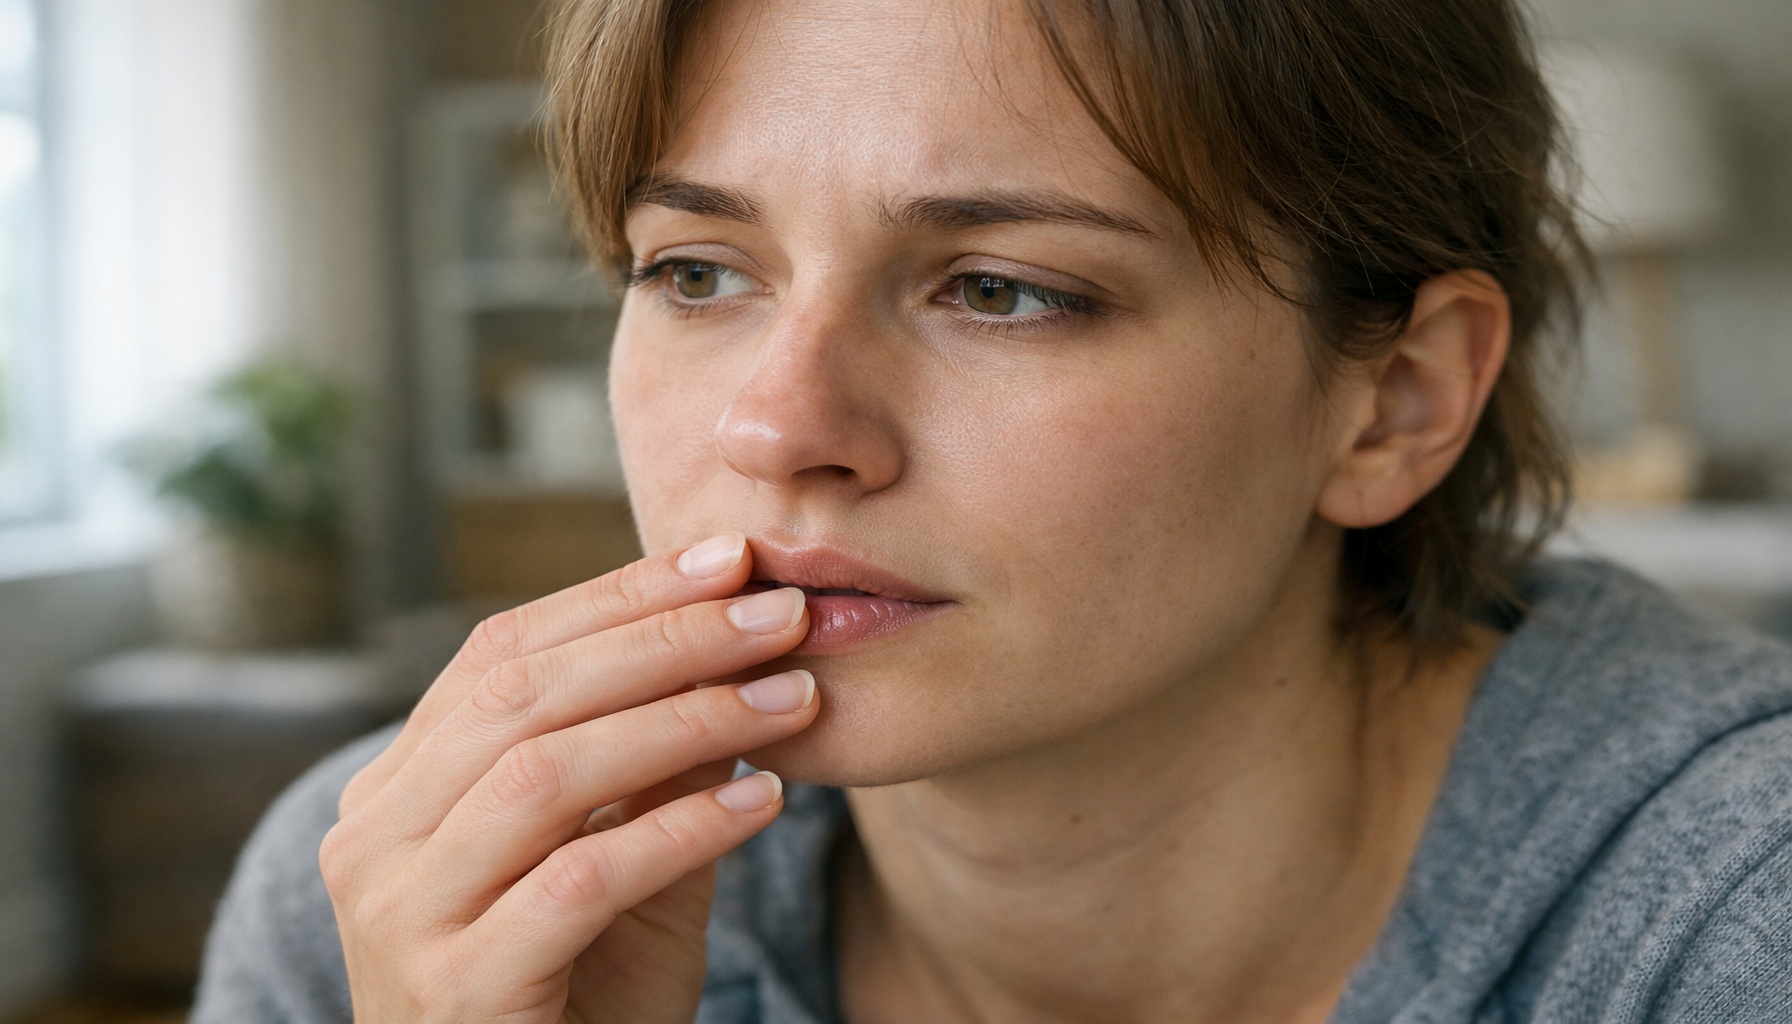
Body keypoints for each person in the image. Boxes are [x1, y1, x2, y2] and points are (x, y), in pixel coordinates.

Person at [192, 0, 1792, 1021]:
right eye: (696, 271)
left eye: (1004, 290)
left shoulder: (1733, 925)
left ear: (1397, 400)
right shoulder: (391, 909)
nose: (777, 422)